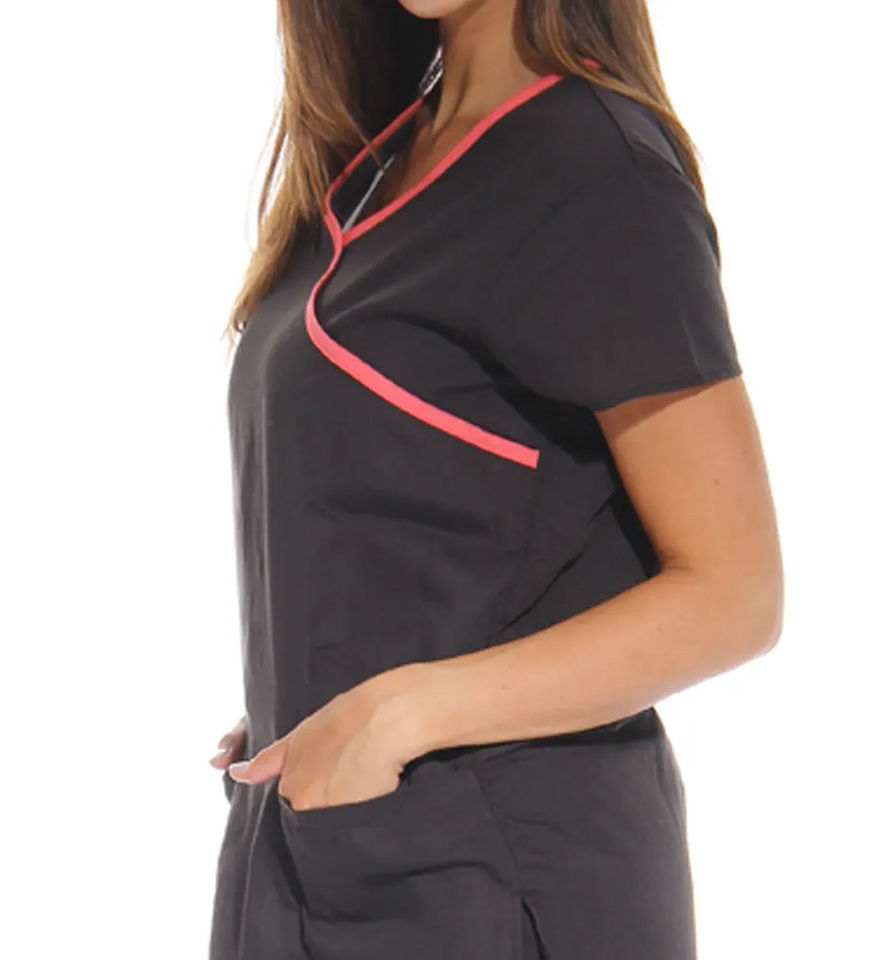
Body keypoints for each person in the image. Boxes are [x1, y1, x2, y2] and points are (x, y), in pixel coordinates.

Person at [207, 1, 784, 958]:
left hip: (500, 880)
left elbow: (737, 594)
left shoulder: (601, 176)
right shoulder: (372, 163)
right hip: (326, 857)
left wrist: (398, 714)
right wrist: (316, 693)